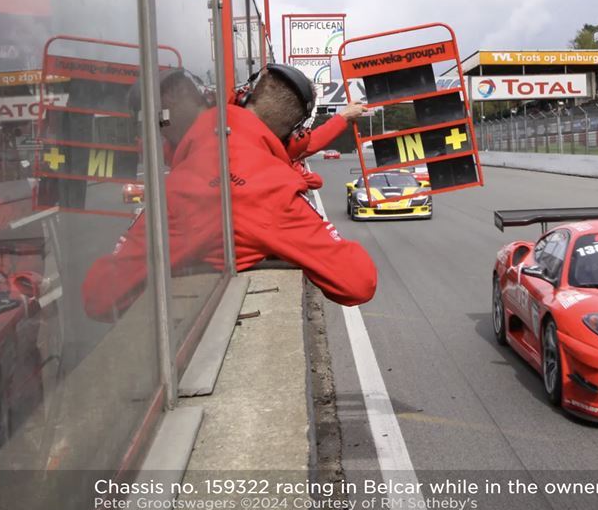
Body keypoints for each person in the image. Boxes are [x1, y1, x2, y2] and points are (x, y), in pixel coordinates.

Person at [82, 63, 377, 321]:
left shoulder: (175, 190)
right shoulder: (273, 194)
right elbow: (360, 281)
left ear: (242, 96)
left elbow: (98, 297)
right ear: (290, 134)